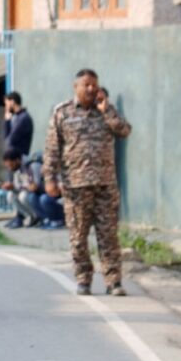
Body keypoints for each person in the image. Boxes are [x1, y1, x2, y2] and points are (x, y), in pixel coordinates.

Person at [43, 69, 133, 296]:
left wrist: (107, 110)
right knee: (78, 238)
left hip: (105, 186)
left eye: (95, 85)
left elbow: (125, 131)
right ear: (76, 87)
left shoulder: (106, 111)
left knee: (108, 236)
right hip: (76, 186)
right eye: (87, 85)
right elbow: (52, 149)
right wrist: (50, 179)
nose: (91, 89)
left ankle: (114, 282)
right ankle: (83, 279)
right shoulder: (62, 113)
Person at [1, 149, 63, 229]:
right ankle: (30, 217)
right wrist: (11, 186)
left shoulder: (32, 165)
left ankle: (48, 219)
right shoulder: (17, 168)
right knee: (10, 195)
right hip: (41, 193)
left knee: (31, 197)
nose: (9, 168)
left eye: (11, 165)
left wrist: (15, 186)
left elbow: (34, 187)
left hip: (51, 194)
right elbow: (23, 185)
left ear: (17, 160)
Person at [4, 92, 33, 158]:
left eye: (7, 104)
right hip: (15, 159)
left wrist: (7, 122)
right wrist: (7, 121)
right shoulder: (16, 117)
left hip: (20, 159)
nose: (6, 107)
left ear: (12, 102)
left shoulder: (23, 118)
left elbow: (10, 141)